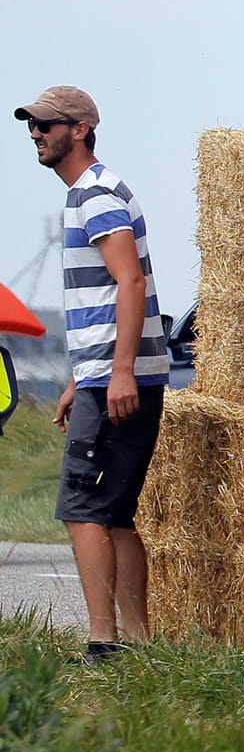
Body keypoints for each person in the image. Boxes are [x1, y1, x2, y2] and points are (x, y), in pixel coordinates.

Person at [17, 86, 168, 660]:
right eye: (31, 125)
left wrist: (118, 373)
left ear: (79, 129)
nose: (35, 133)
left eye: (46, 125)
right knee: (116, 514)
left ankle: (104, 642)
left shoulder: (95, 194)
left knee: (83, 510)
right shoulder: (90, 194)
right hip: (106, 374)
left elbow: (130, 283)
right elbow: (108, 295)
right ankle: (137, 641)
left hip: (118, 377)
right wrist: (83, 378)